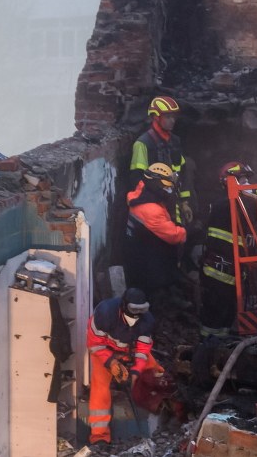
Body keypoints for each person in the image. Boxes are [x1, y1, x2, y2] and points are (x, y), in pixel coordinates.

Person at [86, 288, 163, 445]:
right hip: (104, 352)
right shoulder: (104, 314)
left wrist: (135, 371)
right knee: (100, 388)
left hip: (129, 350)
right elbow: (94, 344)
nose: (136, 315)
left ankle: (165, 412)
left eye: (141, 310)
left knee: (157, 371)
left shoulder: (147, 322)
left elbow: (142, 351)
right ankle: (99, 436)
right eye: (134, 310)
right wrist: (111, 362)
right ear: (123, 306)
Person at [199, 161, 257, 338]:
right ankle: (207, 350)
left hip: (232, 274)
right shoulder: (224, 205)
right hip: (217, 273)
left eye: (247, 179)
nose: (247, 184)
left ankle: (222, 351)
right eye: (242, 179)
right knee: (214, 317)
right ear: (229, 181)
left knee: (227, 316)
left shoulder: (240, 204)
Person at [124, 163, 188, 296]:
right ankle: (159, 298)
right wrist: (187, 230)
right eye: (166, 187)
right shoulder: (151, 209)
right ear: (157, 185)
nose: (168, 190)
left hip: (138, 254)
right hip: (147, 264)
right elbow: (175, 236)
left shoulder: (141, 195)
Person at [130, 96, 193, 225]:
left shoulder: (175, 141)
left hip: (174, 204)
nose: (172, 120)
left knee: (180, 236)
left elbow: (183, 173)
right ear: (156, 117)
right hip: (155, 207)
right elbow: (138, 179)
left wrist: (184, 202)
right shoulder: (142, 144)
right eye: (168, 117)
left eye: (174, 117)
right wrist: (161, 195)